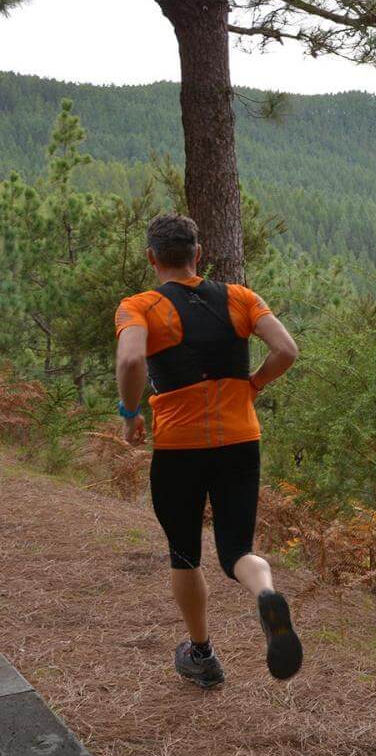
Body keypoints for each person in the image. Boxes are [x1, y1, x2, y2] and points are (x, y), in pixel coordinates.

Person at [114, 213, 303, 688]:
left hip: (180, 449)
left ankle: (201, 654)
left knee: (184, 553)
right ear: (198, 254)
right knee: (237, 549)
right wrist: (253, 385)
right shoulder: (240, 297)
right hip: (240, 440)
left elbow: (133, 358)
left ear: (152, 257)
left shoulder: (139, 306)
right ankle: (265, 592)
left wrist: (130, 412)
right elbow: (287, 349)